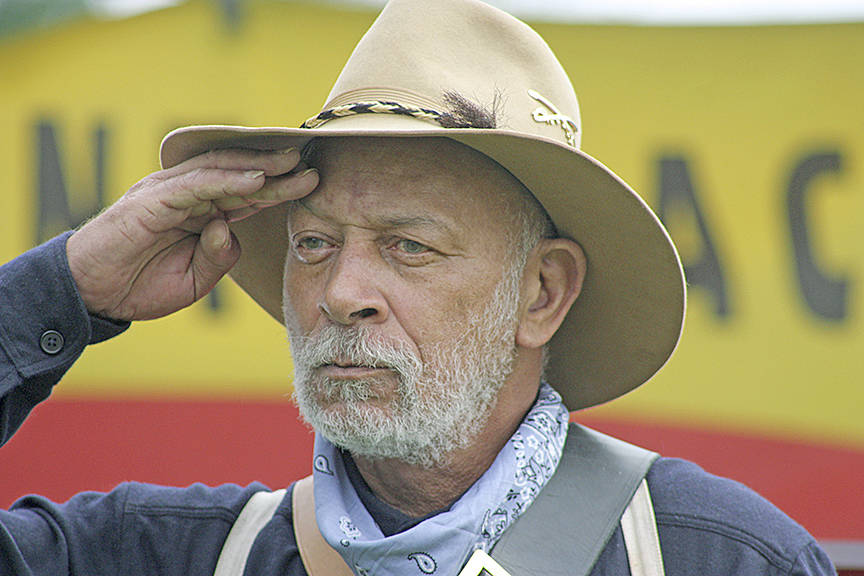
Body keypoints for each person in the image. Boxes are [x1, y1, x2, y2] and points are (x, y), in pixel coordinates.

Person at [0, 0, 836, 575]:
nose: (340, 293)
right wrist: (67, 287)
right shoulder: (170, 553)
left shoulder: (720, 558)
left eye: (408, 246)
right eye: (315, 242)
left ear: (543, 293)